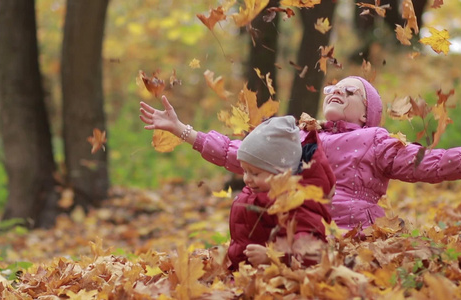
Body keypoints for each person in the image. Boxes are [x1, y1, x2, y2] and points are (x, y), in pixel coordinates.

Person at [140, 75, 461, 232]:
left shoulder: (376, 138)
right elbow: (242, 154)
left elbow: (426, 163)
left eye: (350, 91)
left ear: (366, 112)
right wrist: (184, 131)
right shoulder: (301, 135)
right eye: (333, 88)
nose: (336, 91)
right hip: (298, 226)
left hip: (355, 231)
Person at [140, 106, 335, 269]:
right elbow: (225, 151)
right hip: (243, 275)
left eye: (255, 174)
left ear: (281, 173)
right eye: (244, 171)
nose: (247, 179)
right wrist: (180, 129)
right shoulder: (260, 183)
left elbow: (312, 251)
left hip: (271, 285)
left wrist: (273, 257)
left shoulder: (296, 201)